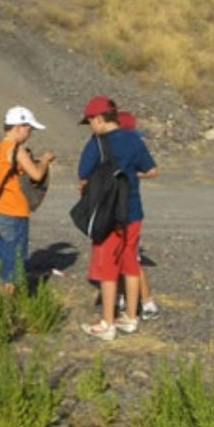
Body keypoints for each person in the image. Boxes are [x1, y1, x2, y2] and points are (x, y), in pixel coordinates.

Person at [78, 96, 158, 341]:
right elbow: (152, 170)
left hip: (107, 215)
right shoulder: (134, 139)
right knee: (130, 263)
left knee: (107, 267)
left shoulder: (97, 143)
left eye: (90, 121)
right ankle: (131, 318)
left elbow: (83, 177)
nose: (90, 126)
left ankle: (107, 322)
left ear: (99, 119)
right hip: (133, 211)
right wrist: (127, 174)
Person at [0, 106, 55, 294]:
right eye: (28, 129)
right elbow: (36, 175)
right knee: (14, 265)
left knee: (4, 263)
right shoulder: (16, 150)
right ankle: (9, 311)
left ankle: (2, 301)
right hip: (14, 213)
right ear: (18, 127)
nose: (30, 133)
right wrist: (44, 160)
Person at [116, 110, 160, 320]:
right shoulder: (132, 145)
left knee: (131, 258)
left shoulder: (117, 145)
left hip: (127, 209)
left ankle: (147, 301)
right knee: (123, 256)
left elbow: (153, 171)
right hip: (125, 207)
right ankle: (126, 296)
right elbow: (151, 171)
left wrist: (131, 174)